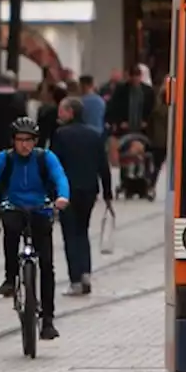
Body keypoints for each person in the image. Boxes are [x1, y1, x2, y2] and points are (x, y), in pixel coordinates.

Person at [0, 117, 70, 340]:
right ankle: (10, 278)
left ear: (35, 141)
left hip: (40, 209)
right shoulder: (4, 159)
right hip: (14, 207)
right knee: (10, 231)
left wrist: (63, 197)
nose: (24, 145)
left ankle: (48, 320)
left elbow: (60, 178)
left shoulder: (45, 158)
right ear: (13, 141)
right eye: (20, 140)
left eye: (29, 140)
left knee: (47, 265)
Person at [50, 98, 113, 296]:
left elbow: (52, 165)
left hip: (66, 191)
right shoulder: (94, 135)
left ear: (70, 112)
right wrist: (108, 193)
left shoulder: (60, 135)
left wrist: (48, 192)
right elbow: (104, 166)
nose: (59, 114)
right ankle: (85, 272)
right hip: (89, 190)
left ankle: (75, 280)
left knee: (70, 234)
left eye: (62, 111)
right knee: (83, 231)